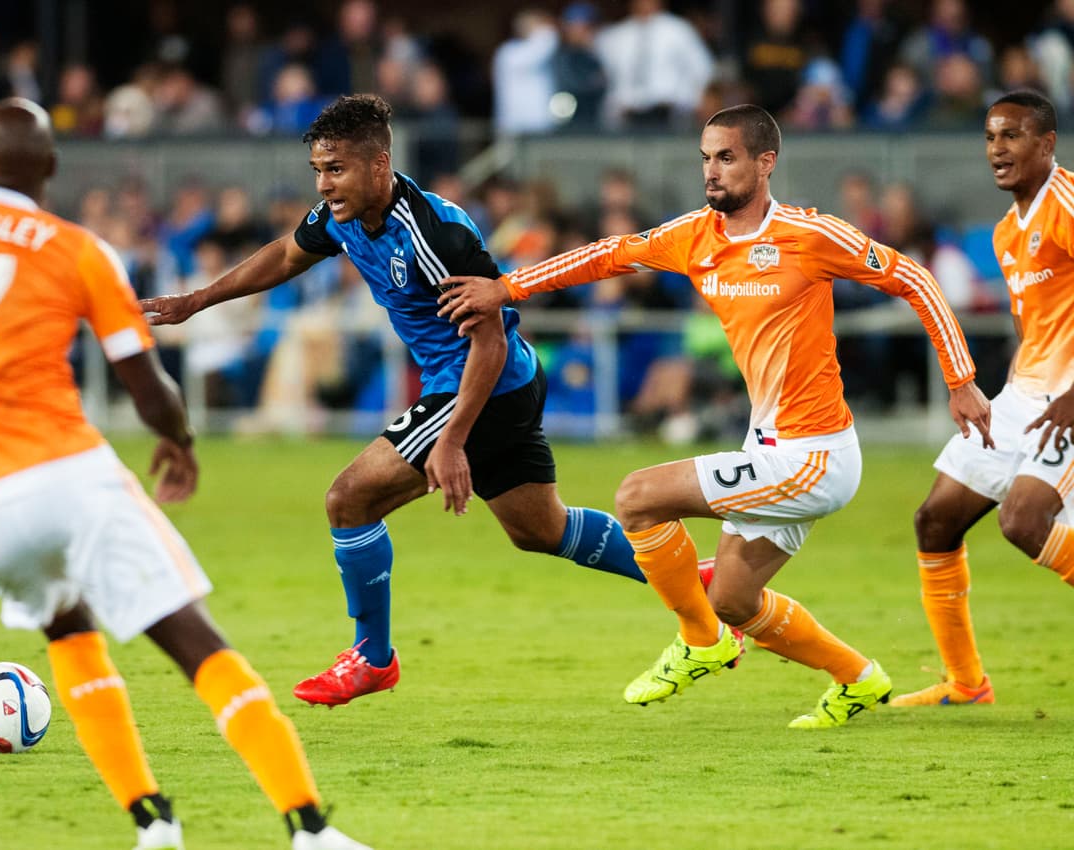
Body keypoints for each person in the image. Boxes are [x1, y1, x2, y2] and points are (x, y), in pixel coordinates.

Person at [0, 98, 369, 850]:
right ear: (48, 171)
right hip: (67, 475)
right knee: (195, 644)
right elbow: (143, 383)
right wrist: (180, 437)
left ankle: (153, 823)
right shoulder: (74, 248)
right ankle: (308, 829)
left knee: (70, 630)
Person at [438, 104, 994, 729]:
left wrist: (962, 381)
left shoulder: (809, 236)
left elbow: (914, 277)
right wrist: (507, 287)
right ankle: (858, 678)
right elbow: (607, 255)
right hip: (769, 445)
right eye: (705, 157)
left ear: (765, 162)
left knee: (639, 496)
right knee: (733, 599)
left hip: (814, 456)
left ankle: (700, 643)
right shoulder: (695, 236)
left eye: (726, 157)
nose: (711, 171)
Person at [139, 94, 658, 708]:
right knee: (542, 530)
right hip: (498, 384)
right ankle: (701, 584)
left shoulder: (435, 233)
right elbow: (284, 255)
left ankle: (373, 658)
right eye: (318, 171)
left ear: (379, 164)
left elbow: (488, 338)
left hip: (479, 384)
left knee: (349, 498)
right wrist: (197, 300)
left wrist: (455, 439)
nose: (324, 184)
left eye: (336, 169)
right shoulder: (341, 216)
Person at [892, 90, 1074, 707]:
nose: (998, 149)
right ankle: (966, 683)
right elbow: (1034, 326)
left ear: (1046, 144)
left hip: (1070, 398)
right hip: (1025, 397)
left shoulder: (1068, 204)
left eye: (1012, 136)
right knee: (935, 519)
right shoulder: (1003, 232)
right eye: (991, 137)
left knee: (1022, 522)